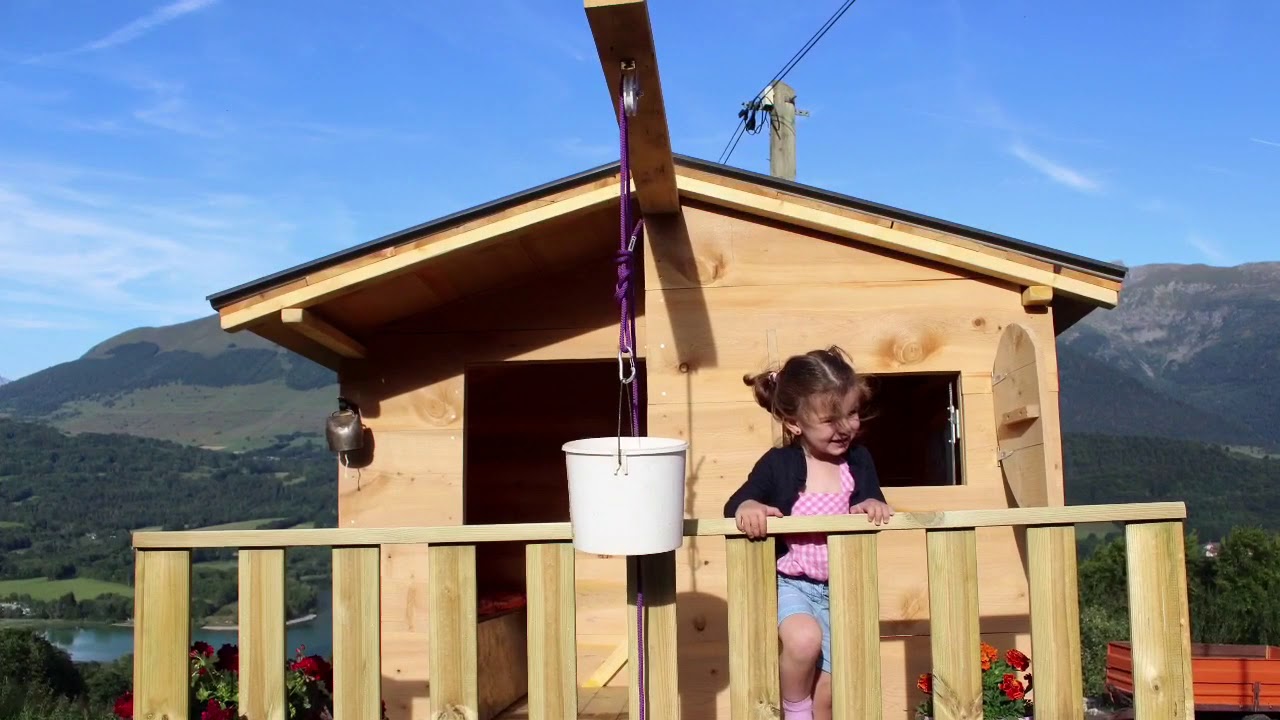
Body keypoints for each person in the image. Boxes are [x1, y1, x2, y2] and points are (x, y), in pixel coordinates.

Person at [723, 346, 894, 720]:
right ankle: (794, 710)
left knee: (831, 689)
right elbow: (736, 503)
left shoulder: (858, 460)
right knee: (803, 641)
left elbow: (873, 500)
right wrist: (748, 508)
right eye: (832, 419)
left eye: (852, 413)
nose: (847, 427)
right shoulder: (779, 464)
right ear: (794, 422)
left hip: (842, 588)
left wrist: (872, 507)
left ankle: (815, 710)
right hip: (793, 582)